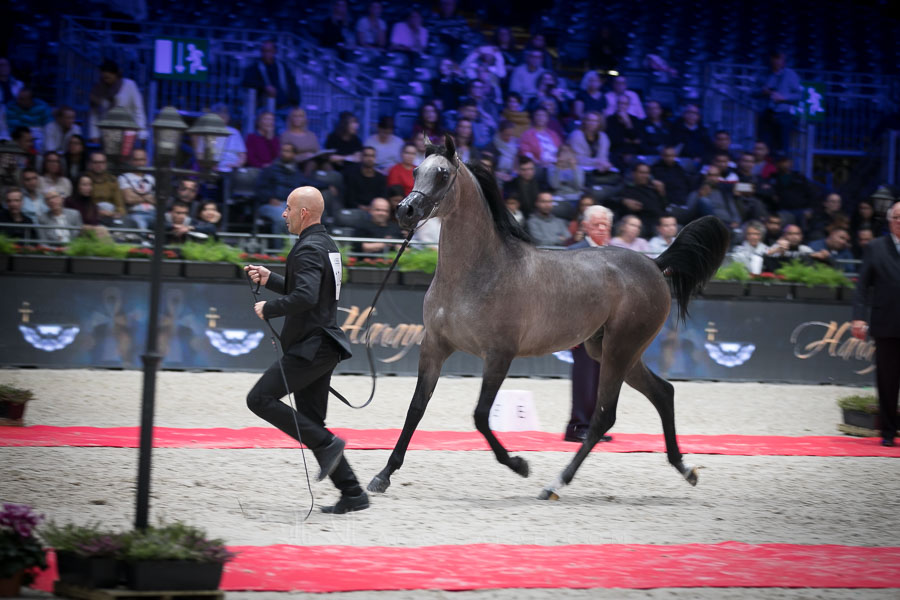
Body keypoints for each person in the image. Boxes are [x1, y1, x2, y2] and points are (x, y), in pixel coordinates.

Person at [244, 187, 364, 513]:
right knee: (311, 420)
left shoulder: (307, 248)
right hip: (323, 345)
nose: (284, 214)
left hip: (311, 346)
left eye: (288, 208)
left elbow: (306, 296)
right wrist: (270, 279)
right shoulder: (326, 244)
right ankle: (353, 493)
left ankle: (329, 445)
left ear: (304, 213)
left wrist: (270, 308)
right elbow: (310, 288)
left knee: (259, 399)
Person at [851, 202, 900, 447]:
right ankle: (889, 431)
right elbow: (862, 287)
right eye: (897, 217)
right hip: (887, 323)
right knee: (888, 381)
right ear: (890, 220)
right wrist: (858, 317)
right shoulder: (876, 247)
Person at [565, 204, 615, 443]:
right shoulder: (574, 252)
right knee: (584, 376)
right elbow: (564, 293)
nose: (602, 228)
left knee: (600, 378)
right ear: (585, 226)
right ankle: (577, 426)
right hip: (581, 326)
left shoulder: (612, 254)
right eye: (597, 224)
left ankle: (594, 426)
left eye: (606, 224)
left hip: (605, 327)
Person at [756, 50, 802, 153]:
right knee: (764, 145)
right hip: (766, 114)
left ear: (783, 60)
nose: (776, 61)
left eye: (779, 58)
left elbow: (799, 95)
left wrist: (784, 98)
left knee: (782, 147)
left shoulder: (790, 75)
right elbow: (752, 92)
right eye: (774, 58)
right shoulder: (763, 74)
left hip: (783, 114)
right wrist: (762, 91)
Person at [88, 60, 146, 142]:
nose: (106, 81)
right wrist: (94, 134)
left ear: (116, 75)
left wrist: (142, 132)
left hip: (127, 132)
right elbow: (94, 114)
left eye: (108, 78)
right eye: (103, 78)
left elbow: (138, 109)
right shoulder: (98, 90)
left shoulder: (129, 85)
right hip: (106, 133)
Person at [241, 40, 300, 110]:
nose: (267, 54)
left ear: (274, 52)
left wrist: (295, 103)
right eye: (264, 51)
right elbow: (246, 82)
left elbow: (292, 84)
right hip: (263, 108)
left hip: (284, 105)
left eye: (269, 51)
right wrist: (264, 87)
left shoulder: (282, 67)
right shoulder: (255, 67)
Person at [117, 148, 156, 230]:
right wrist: (147, 197)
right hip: (135, 213)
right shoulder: (124, 177)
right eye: (136, 160)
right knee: (141, 227)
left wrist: (137, 196)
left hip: (153, 212)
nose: (140, 163)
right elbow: (129, 199)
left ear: (146, 161)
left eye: (142, 160)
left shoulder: (151, 178)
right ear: (130, 161)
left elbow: (157, 200)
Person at [567, 111, 613, 178]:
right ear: (584, 122)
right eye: (589, 120)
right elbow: (577, 159)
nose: (591, 123)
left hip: (597, 168)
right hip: (577, 168)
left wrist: (603, 164)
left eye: (595, 121)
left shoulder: (603, 136)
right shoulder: (576, 135)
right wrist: (597, 162)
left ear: (599, 123)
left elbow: (603, 156)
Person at [210, 104, 247, 174]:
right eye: (219, 115)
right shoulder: (209, 132)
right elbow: (203, 154)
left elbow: (242, 156)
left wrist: (237, 165)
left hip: (233, 169)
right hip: (214, 168)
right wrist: (211, 165)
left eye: (225, 114)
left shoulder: (235, 132)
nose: (223, 116)